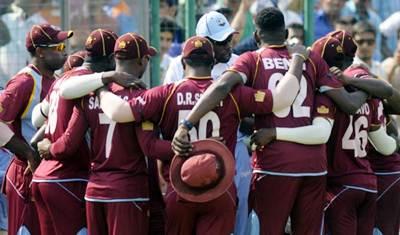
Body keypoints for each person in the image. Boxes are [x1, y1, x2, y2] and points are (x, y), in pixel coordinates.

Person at [171, 7, 374, 235]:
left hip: (274, 164)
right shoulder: (311, 59)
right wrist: (366, 87)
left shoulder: (253, 59)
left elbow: (221, 86)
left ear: (257, 36)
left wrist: (186, 124)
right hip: (313, 167)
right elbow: (348, 104)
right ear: (286, 33)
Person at [29, 28, 120, 235]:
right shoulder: (89, 84)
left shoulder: (64, 79)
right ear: (112, 57)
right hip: (68, 177)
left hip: (45, 177)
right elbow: (69, 143)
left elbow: (37, 120)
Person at [0, 23, 72, 235]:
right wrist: (28, 153)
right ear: (40, 52)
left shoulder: (57, 80)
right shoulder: (25, 81)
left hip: (46, 172)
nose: (64, 52)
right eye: (58, 48)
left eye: (63, 46)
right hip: (25, 172)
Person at [163, 11, 238, 84]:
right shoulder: (178, 65)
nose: (228, 46)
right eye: (222, 42)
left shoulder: (238, 64)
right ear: (203, 41)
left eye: (229, 39)